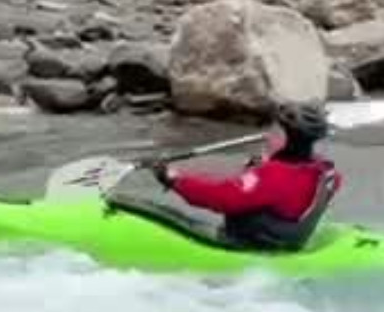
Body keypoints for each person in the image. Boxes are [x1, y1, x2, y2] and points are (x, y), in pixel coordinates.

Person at [135, 101, 344, 252]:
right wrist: (264, 166)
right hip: (286, 240)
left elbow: (222, 197)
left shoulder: (271, 176)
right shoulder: (326, 172)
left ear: (287, 139)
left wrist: (171, 179)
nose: (266, 136)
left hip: (251, 245)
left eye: (273, 131)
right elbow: (294, 185)